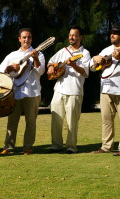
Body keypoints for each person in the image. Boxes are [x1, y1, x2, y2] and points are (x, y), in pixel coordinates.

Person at [90, 22, 120, 156]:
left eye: (115, 33)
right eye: (111, 32)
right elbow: (92, 68)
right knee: (106, 120)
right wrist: (95, 59)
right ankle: (106, 146)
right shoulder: (105, 50)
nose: (112, 34)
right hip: (106, 90)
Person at [0, 28, 45, 155]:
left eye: (29, 37)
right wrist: (9, 68)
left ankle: (28, 147)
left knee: (31, 121)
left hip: (32, 92)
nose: (26, 40)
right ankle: (9, 147)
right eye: (24, 37)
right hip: (15, 92)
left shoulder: (38, 53)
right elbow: (0, 70)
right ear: (19, 39)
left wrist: (35, 59)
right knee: (12, 121)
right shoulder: (12, 55)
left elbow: (40, 71)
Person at [47, 26, 91, 154]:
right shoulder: (63, 50)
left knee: (72, 121)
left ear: (80, 37)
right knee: (56, 119)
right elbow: (51, 62)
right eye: (70, 35)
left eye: (74, 35)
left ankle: (71, 147)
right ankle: (56, 145)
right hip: (59, 89)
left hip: (75, 90)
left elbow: (85, 72)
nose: (71, 37)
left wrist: (73, 65)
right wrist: (50, 67)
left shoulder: (85, 53)